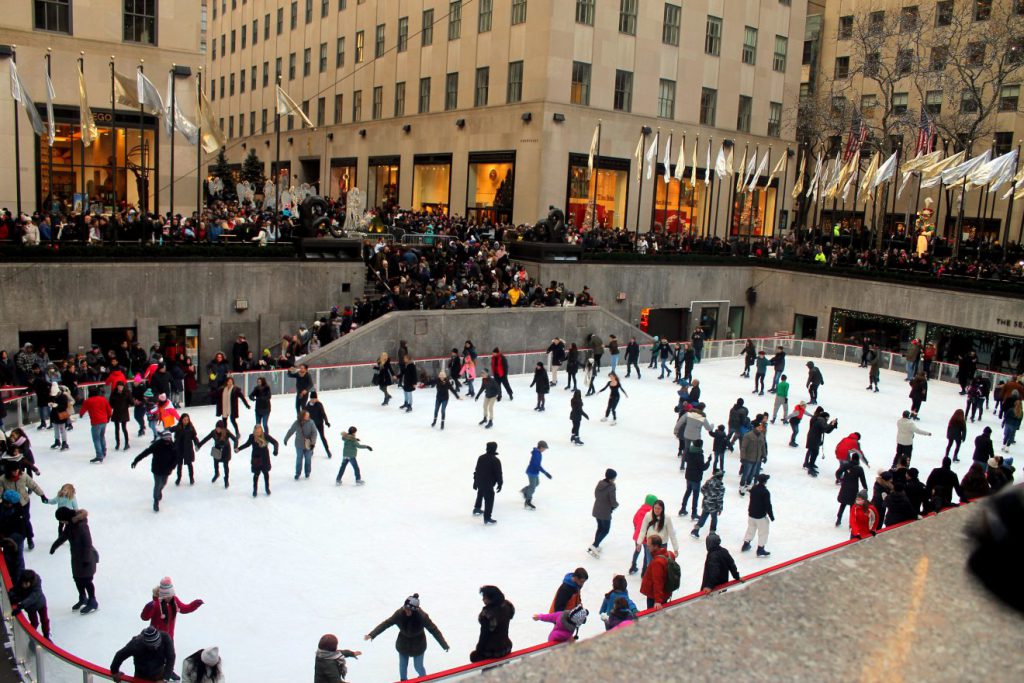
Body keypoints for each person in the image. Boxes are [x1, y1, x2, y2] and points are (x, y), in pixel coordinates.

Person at [365, 594, 450, 682]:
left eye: (409, 610)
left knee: (418, 666)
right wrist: (372, 634)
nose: (407, 611)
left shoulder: (422, 617)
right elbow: (386, 623)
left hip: (418, 646)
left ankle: (424, 679)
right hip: (403, 645)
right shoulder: (399, 614)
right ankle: (403, 680)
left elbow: (434, 630)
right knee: (402, 667)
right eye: (406, 609)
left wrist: (444, 645)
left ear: (415, 610)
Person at [141, 576, 204, 681]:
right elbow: (144, 617)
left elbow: (184, 608)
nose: (170, 597)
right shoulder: (156, 605)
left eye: (171, 595)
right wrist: (148, 608)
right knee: (158, 656)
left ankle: (169, 671)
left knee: (170, 655)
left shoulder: (174, 600)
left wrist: (195, 604)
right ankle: (156, 673)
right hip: (157, 636)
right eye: (168, 596)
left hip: (169, 635)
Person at [50, 506, 99, 613]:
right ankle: (83, 598)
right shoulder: (71, 525)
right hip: (77, 558)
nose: (61, 522)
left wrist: (86, 559)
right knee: (77, 579)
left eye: (61, 520)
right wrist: (54, 546)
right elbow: (64, 536)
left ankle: (92, 601)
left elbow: (87, 543)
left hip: (86, 558)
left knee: (86, 581)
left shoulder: (81, 526)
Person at [131, 430, 179, 511]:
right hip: (157, 469)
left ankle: (160, 490)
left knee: (163, 483)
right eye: (166, 439)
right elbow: (146, 452)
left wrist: (172, 466)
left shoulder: (172, 445)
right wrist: (136, 460)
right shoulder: (157, 445)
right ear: (163, 439)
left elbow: (176, 458)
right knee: (157, 484)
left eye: (169, 439)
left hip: (167, 469)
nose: (168, 440)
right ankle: (156, 501)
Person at [110, 627, 175, 683]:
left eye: (157, 645)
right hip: (140, 675)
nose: (156, 648)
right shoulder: (136, 644)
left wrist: (165, 679)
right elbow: (120, 655)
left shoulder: (165, 638)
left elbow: (171, 657)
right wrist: (114, 671)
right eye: (152, 646)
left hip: (159, 673)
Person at [469, 585, 515, 663]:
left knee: (489, 674)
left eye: (484, 597)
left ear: (491, 599)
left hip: (492, 653)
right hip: (505, 647)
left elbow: (484, 636)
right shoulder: (507, 606)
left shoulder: (488, 615)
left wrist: (478, 653)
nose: (482, 599)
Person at [237, 425, 279, 497]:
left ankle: (267, 488)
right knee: (256, 475)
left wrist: (275, 450)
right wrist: (239, 449)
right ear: (254, 431)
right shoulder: (252, 437)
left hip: (265, 458)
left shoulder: (265, 436)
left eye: (259, 431)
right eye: (257, 431)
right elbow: (247, 444)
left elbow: (275, 442)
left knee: (266, 474)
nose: (258, 433)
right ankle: (255, 490)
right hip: (256, 458)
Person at [8, 568, 50, 639]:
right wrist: (12, 596)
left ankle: (46, 637)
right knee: (34, 622)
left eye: (26, 583)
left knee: (44, 620)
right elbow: (15, 590)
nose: (24, 585)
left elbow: (33, 597)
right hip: (30, 608)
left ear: (31, 582)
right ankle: (31, 637)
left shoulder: (37, 584)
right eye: (23, 583)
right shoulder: (20, 583)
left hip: (41, 604)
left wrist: (21, 605)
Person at [197, 420, 239, 489]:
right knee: (215, 462)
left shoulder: (227, 432)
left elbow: (235, 439)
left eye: (219, 428)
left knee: (225, 465)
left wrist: (235, 447)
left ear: (223, 429)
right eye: (217, 428)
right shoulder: (213, 432)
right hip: (217, 449)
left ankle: (226, 479)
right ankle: (216, 473)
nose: (218, 429)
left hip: (226, 450)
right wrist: (199, 445)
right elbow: (206, 439)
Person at [638, 534, 676, 610]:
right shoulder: (670, 554)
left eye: (649, 546)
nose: (647, 547)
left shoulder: (657, 562)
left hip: (654, 597)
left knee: (652, 617)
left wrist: (658, 601)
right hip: (666, 592)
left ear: (655, 546)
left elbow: (657, 581)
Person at [741, 473, 774, 557]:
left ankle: (746, 544)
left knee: (751, 529)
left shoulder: (754, 488)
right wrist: (771, 516)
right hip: (760, 516)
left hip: (751, 514)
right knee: (763, 532)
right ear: (765, 482)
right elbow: (768, 505)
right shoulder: (765, 492)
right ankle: (760, 549)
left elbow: (748, 491)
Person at [587, 468, 618, 558]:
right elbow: (613, 501)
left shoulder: (600, 483)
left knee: (600, 528)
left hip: (597, 509)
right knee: (606, 530)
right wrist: (616, 505)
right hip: (605, 512)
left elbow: (596, 494)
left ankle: (595, 545)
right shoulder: (611, 487)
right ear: (612, 478)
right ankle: (594, 545)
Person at [78, 387, 112, 464]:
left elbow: (82, 410)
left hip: (96, 422)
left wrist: (81, 415)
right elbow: (109, 410)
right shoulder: (103, 399)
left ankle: (99, 455)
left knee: (96, 439)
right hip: (104, 421)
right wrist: (108, 418)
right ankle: (103, 451)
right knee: (102, 436)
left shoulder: (88, 401)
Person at [472, 441, 503, 525]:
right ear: (495, 449)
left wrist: (475, 481)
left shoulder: (481, 457)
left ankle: (477, 508)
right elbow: (498, 473)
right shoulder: (496, 460)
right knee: (489, 500)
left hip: (480, 481)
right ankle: (487, 518)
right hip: (488, 484)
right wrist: (500, 483)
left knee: (480, 492)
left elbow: (477, 470)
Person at [680, 442, 712, 517]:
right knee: (695, 495)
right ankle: (694, 513)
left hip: (688, 476)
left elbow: (685, 459)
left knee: (688, 492)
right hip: (696, 478)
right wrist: (708, 461)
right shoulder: (699, 455)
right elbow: (703, 467)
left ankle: (683, 508)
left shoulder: (689, 452)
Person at [283, 410, 318, 480]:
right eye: (306, 416)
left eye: (308, 415)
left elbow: (314, 433)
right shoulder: (297, 423)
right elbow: (291, 431)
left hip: (308, 444)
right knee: (299, 459)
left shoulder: (311, 422)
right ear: (303, 416)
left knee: (308, 459)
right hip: (299, 444)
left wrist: (313, 443)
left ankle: (307, 472)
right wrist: (286, 439)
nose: (308, 417)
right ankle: (297, 473)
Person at [836, 453, 868, 527]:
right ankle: (851, 523)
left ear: (851, 458)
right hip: (853, 489)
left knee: (843, 504)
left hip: (845, 487)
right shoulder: (859, 469)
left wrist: (840, 479)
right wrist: (865, 488)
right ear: (858, 459)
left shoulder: (846, 465)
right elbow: (863, 480)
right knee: (852, 506)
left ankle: (838, 519)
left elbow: (838, 472)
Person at [691, 469, 725, 538]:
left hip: (706, 503)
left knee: (703, 517)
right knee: (714, 518)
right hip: (714, 506)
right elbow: (719, 499)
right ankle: (712, 532)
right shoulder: (721, 487)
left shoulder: (709, 482)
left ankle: (696, 530)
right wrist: (720, 508)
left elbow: (702, 489)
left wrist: (707, 496)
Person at [803, 410, 838, 476]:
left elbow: (826, 430)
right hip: (814, 439)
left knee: (814, 452)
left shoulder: (820, 420)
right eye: (828, 417)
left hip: (814, 438)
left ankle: (810, 465)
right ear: (825, 417)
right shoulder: (821, 420)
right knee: (814, 453)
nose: (828, 419)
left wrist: (832, 425)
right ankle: (810, 468)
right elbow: (826, 428)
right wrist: (832, 424)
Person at [628, 494, 656, 576]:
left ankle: (633, 567)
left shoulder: (640, 510)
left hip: (638, 536)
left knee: (637, 550)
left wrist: (636, 529)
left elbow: (634, 520)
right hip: (646, 538)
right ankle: (644, 572)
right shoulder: (652, 514)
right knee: (646, 554)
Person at [520, 441, 552, 510]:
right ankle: (527, 502)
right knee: (532, 487)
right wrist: (545, 473)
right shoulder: (537, 454)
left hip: (534, 472)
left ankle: (525, 491)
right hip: (532, 472)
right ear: (541, 447)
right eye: (544, 448)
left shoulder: (538, 453)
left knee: (536, 483)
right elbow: (537, 465)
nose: (545, 450)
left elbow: (537, 465)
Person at [173, 414, 200, 486]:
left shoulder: (191, 428)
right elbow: (172, 430)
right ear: (181, 420)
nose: (186, 421)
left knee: (189, 464)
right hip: (179, 448)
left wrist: (197, 444)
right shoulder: (178, 427)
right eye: (184, 420)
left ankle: (191, 478)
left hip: (187, 449)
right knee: (179, 464)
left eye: (187, 420)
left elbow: (194, 437)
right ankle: (178, 478)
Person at [739, 423, 767, 492]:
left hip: (757, 459)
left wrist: (764, 455)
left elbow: (763, 447)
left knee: (752, 474)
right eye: (759, 427)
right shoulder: (748, 435)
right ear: (755, 427)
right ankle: (742, 486)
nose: (760, 428)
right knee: (746, 473)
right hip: (748, 458)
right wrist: (742, 457)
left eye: (761, 427)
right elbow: (743, 447)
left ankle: (748, 485)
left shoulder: (761, 436)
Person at [305, 392, 333, 458]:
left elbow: (323, 414)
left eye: (314, 399)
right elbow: (305, 414)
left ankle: (328, 451)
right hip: (311, 424)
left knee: (322, 437)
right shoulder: (308, 405)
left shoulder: (319, 405)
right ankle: (310, 451)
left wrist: (326, 422)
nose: (313, 400)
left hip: (319, 424)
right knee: (310, 438)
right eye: (312, 398)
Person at [109, 381, 132, 450]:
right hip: (116, 412)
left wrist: (127, 404)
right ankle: (117, 443)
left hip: (124, 412)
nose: (120, 387)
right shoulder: (114, 393)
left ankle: (126, 443)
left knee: (124, 428)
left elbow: (130, 401)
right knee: (117, 429)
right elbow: (111, 402)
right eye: (119, 386)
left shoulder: (127, 393)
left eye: (121, 386)